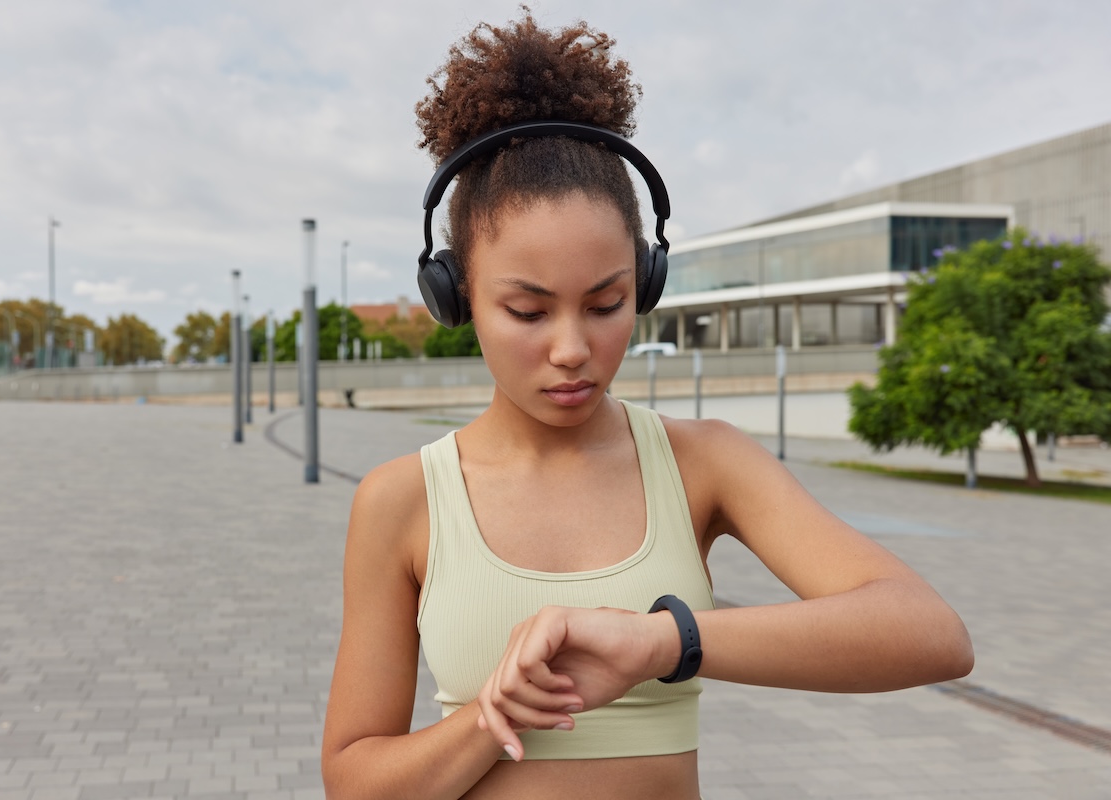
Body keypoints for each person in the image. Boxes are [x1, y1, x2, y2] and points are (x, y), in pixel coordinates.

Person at [321, 11, 973, 800]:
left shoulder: (702, 462)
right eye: (527, 312)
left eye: (606, 304)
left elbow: (930, 633)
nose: (571, 348)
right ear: (455, 297)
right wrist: (492, 716)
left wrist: (663, 640)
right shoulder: (403, 500)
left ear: (646, 284)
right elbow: (354, 781)